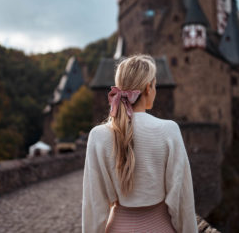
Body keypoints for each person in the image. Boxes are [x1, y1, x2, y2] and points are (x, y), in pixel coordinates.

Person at [82, 54, 198, 233]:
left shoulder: (98, 135)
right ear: (148, 87)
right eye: (155, 85)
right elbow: (182, 200)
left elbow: (94, 205)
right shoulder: (169, 130)